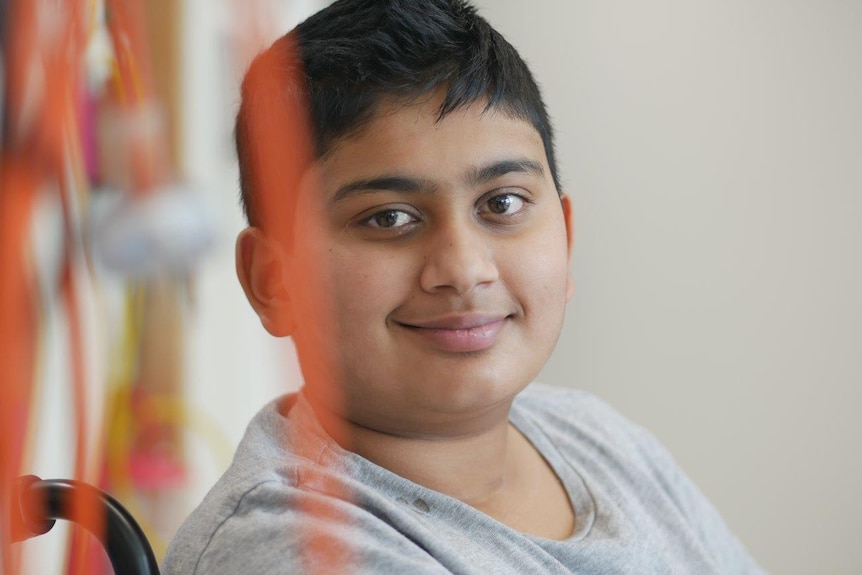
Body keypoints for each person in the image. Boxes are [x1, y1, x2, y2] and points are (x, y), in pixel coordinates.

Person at [163, 1, 766, 573]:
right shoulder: (293, 547)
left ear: (566, 237)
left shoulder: (598, 439)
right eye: (388, 217)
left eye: (502, 203)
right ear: (272, 281)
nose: (463, 267)